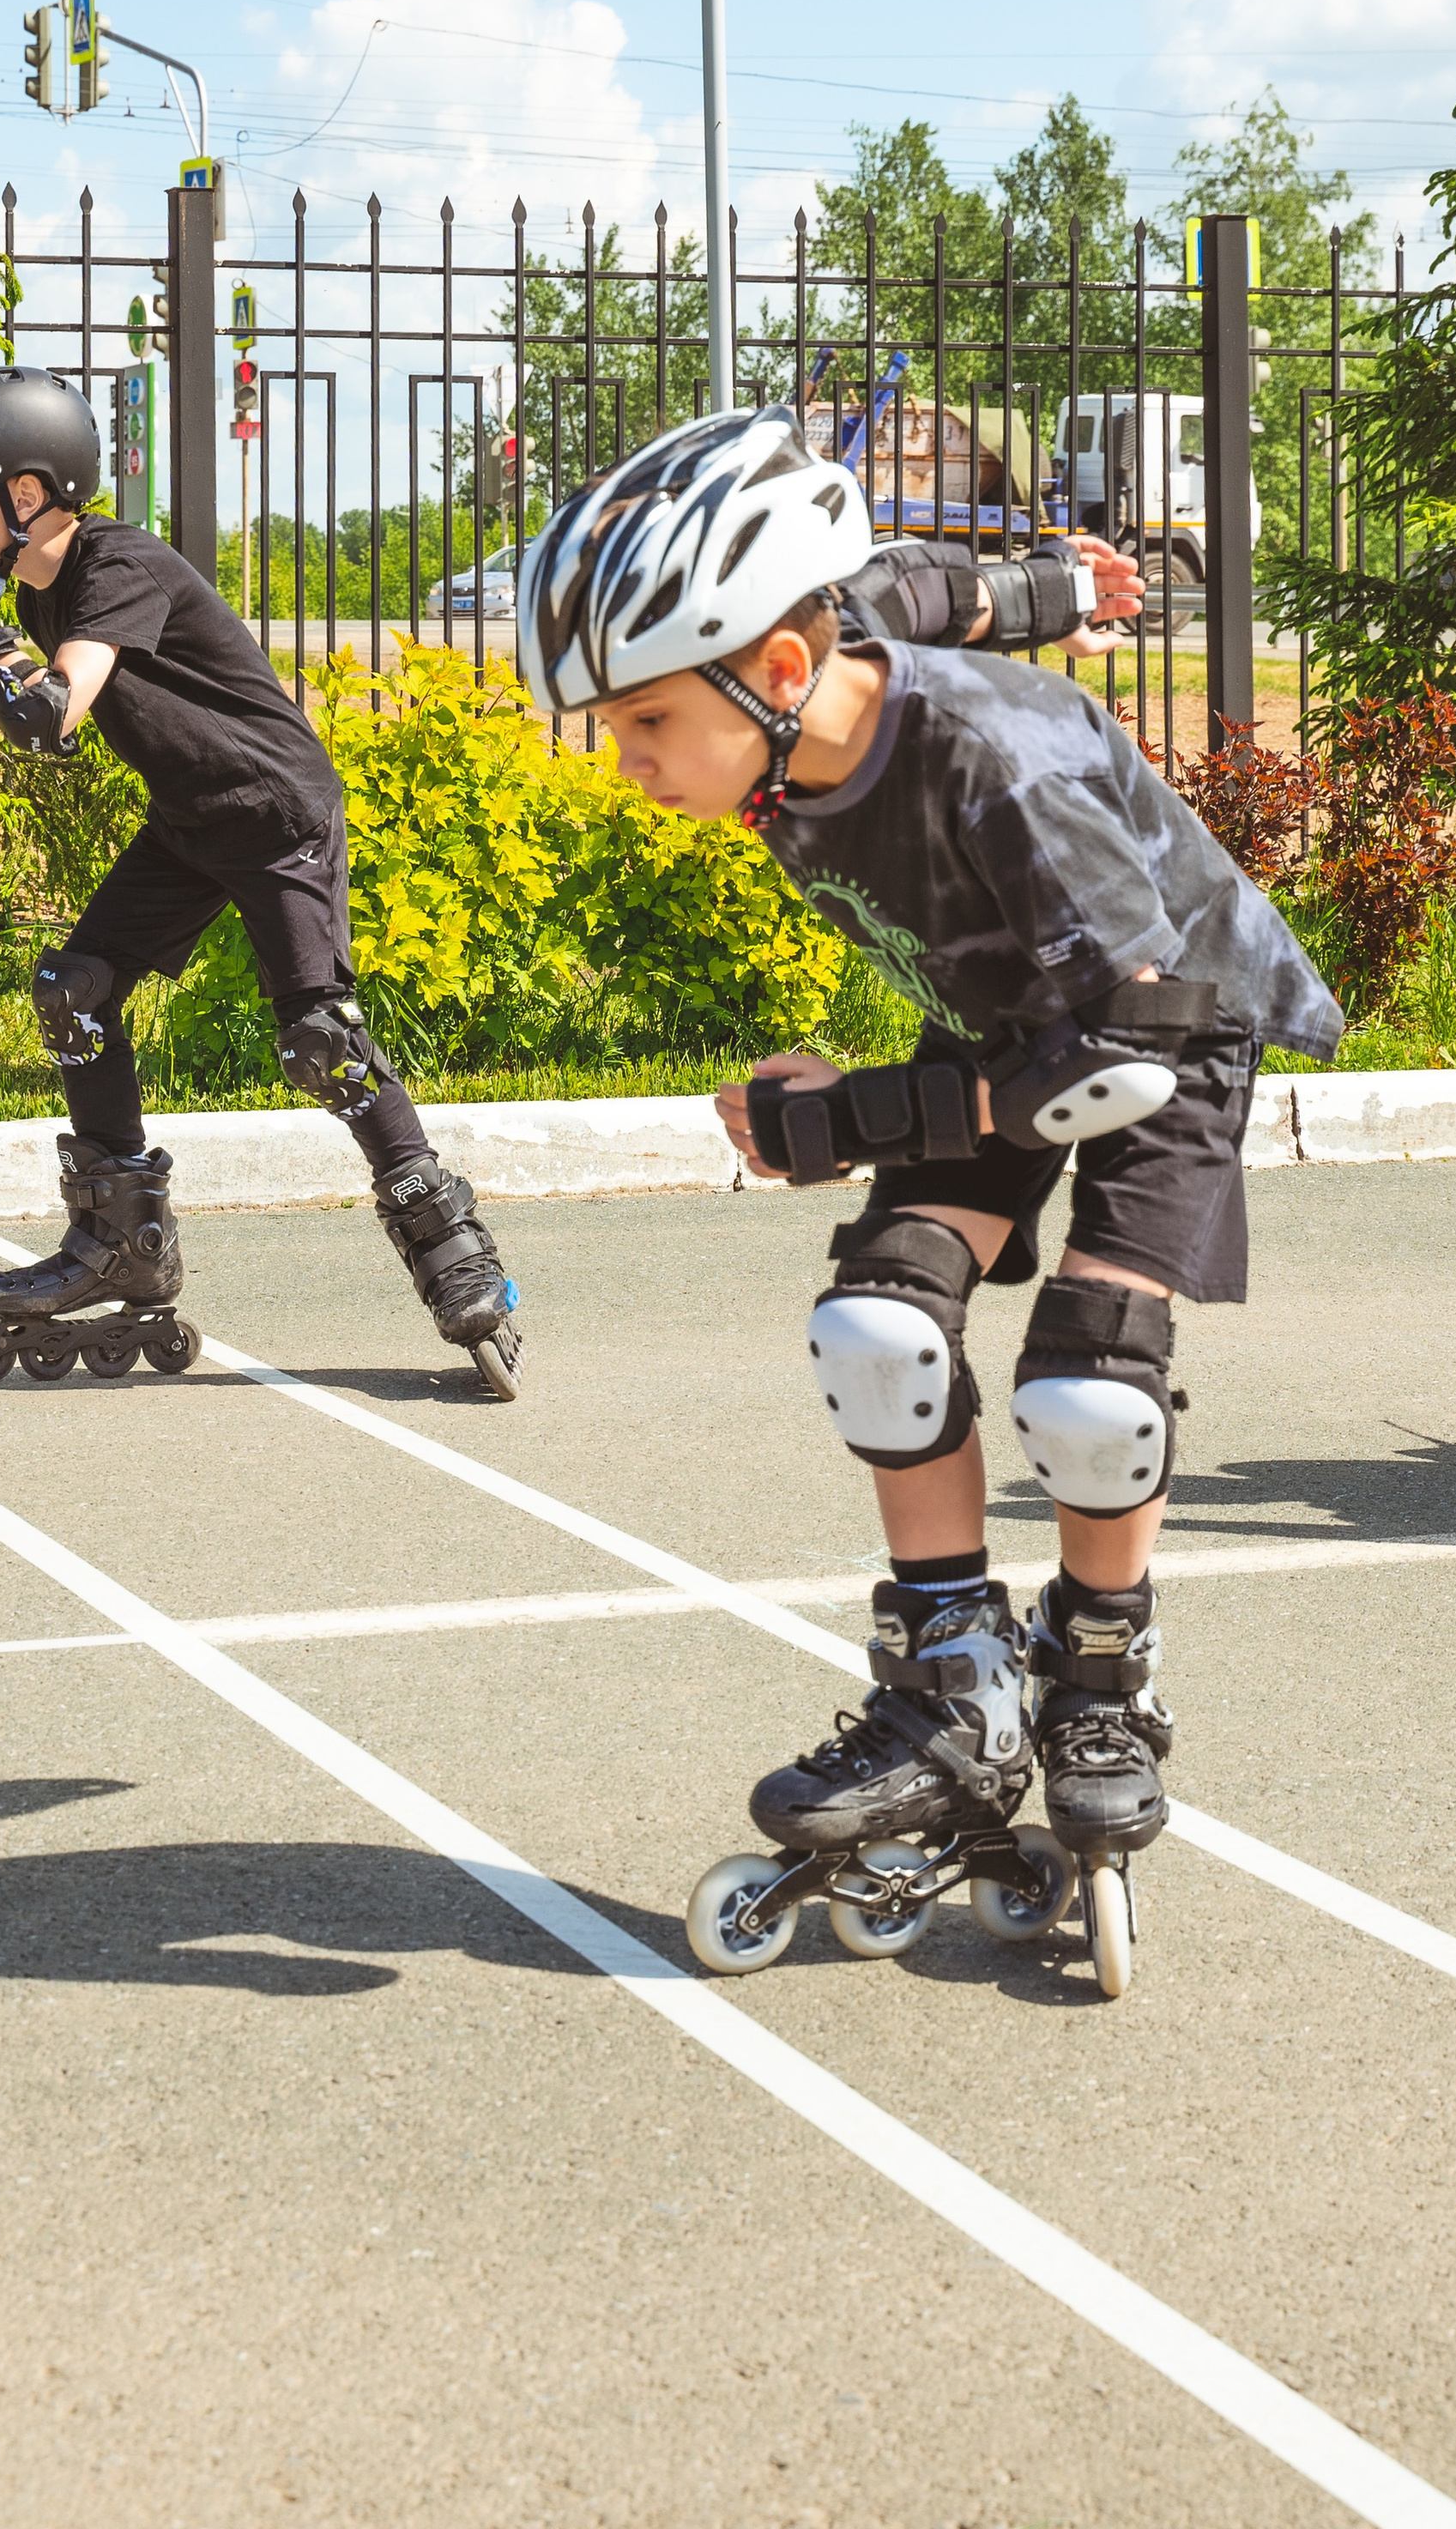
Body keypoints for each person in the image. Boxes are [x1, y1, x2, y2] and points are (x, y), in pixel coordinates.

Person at [515, 403, 1342, 1959]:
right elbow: (905, 582)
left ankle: (1100, 1680)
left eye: (641, 726)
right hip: (1002, 1014)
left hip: (1164, 1021)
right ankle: (951, 1685)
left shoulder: (1001, 773)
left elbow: (1120, 1043)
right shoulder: (820, 656)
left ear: (771, 675)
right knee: (878, 1335)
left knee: (1091, 1391)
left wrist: (853, 1119)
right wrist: (1066, 583)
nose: (624, 766)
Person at [0, 365, 524, 1396]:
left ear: (23, 493)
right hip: (192, 823)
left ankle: (462, 1260)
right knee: (75, 994)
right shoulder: (34, 587)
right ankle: (120, 1245)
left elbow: (51, 717)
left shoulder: (115, 563)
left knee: (322, 1041)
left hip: (274, 816)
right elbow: (42, 716)